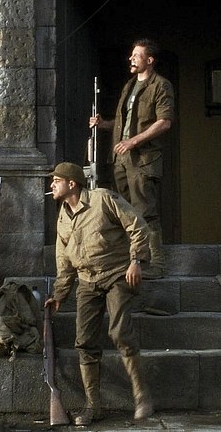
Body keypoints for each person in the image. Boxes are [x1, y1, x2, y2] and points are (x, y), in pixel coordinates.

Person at [43, 161, 154, 426]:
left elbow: (138, 226)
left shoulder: (102, 199)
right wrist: (59, 294)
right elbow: (64, 260)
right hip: (87, 280)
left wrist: (136, 261)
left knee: (120, 332)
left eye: (56, 181)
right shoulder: (63, 217)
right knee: (84, 342)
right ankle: (93, 406)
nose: (51, 185)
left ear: (72, 183)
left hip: (117, 274)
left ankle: (142, 397)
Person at [89, 38, 175, 279]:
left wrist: (133, 142)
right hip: (121, 159)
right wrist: (104, 124)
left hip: (143, 159)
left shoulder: (161, 86)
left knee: (145, 211)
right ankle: (132, 260)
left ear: (150, 60)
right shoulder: (129, 86)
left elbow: (164, 122)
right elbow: (124, 124)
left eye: (136, 55)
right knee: (125, 212)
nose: (131, 59)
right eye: (132, 55)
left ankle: (156, 264)